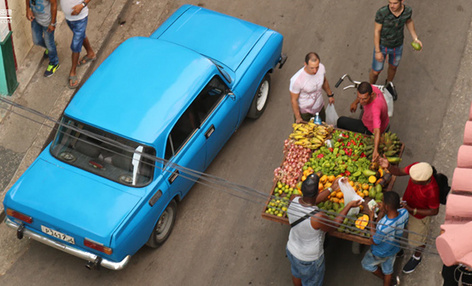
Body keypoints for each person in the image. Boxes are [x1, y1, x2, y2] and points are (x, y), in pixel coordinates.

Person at [286, 174, 361, 286]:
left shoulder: (293, 198)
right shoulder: (317, 217)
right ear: (317, 193)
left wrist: (331, 188)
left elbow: (310, 202)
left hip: (292, 249)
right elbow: (334, 225)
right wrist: (349, 205)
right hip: (309, 260)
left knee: (297, 273)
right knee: (313, 282)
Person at [378, 159, 440, 274]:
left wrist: (413, 210)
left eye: (414, 180)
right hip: (406, 205)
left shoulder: (432, 191)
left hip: (418, 216)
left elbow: (434, 211)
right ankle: (398, 250)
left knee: (419, 239)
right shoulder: (416, 167)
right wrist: (389, 166)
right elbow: (400, 171)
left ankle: (417, 257)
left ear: (424, 181)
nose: (411, 179)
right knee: (398, 227)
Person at [370, 0, 423, 86]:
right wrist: (377, 51)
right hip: (382, 46)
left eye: (395, 3)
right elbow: (377, 31)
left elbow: (408, 21)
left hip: (397, 46)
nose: (392, 6)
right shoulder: (382, 13)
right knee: (376, 71)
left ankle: (388, 85)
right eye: (390, 2)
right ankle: (370, 88)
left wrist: (415, 38)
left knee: (393, 67)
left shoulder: (407, 11)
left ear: (402, 1)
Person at [361, 191, 408, 286]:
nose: (380, 204)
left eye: (382, 202)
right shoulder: (405, 212)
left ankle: (384, 278)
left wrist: (371, 218)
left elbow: (375, 240)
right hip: (393, 248)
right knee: (388, 271)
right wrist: (382, 209)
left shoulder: (383, 225)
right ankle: (389, 281)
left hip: (380, 252)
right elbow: (404, 225)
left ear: (386, 206)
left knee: (366, 264)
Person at [337, 82, 389, 161]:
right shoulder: (372, 88)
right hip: (374, 120)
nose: (361, 102)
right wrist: (355, 102)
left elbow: (376, 130)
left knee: (341, 121)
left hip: (369, 129)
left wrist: (375, 150)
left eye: (364, 99)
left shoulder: (376, 109)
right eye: (359, 98)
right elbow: (361, 97)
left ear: (371, 95)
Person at [290, 52, 335, 124]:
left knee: (322, 129)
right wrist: (298, 117)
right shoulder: (297, 80)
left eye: (317, 67)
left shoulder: (321, 68)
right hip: (305, 112)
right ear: (305, 64)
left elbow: (324, 81)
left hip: (319, 107)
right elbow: (294, 100)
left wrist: (330, 95)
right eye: (312, 68)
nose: (315, 71)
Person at [60, 0, 96, 89]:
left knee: (76, 45)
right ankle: (90, 53)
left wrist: (82, 5)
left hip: (80, 18)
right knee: (80, 36)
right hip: (68, 18)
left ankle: (73, 71)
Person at [26, 0, 60, 77]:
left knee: (49, 44)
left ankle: (54, 63)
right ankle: (51, 47)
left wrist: (52, 23)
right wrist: (28, 9)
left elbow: (54, 4)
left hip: (47, 22)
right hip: (35, 19)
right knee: (36, 41)